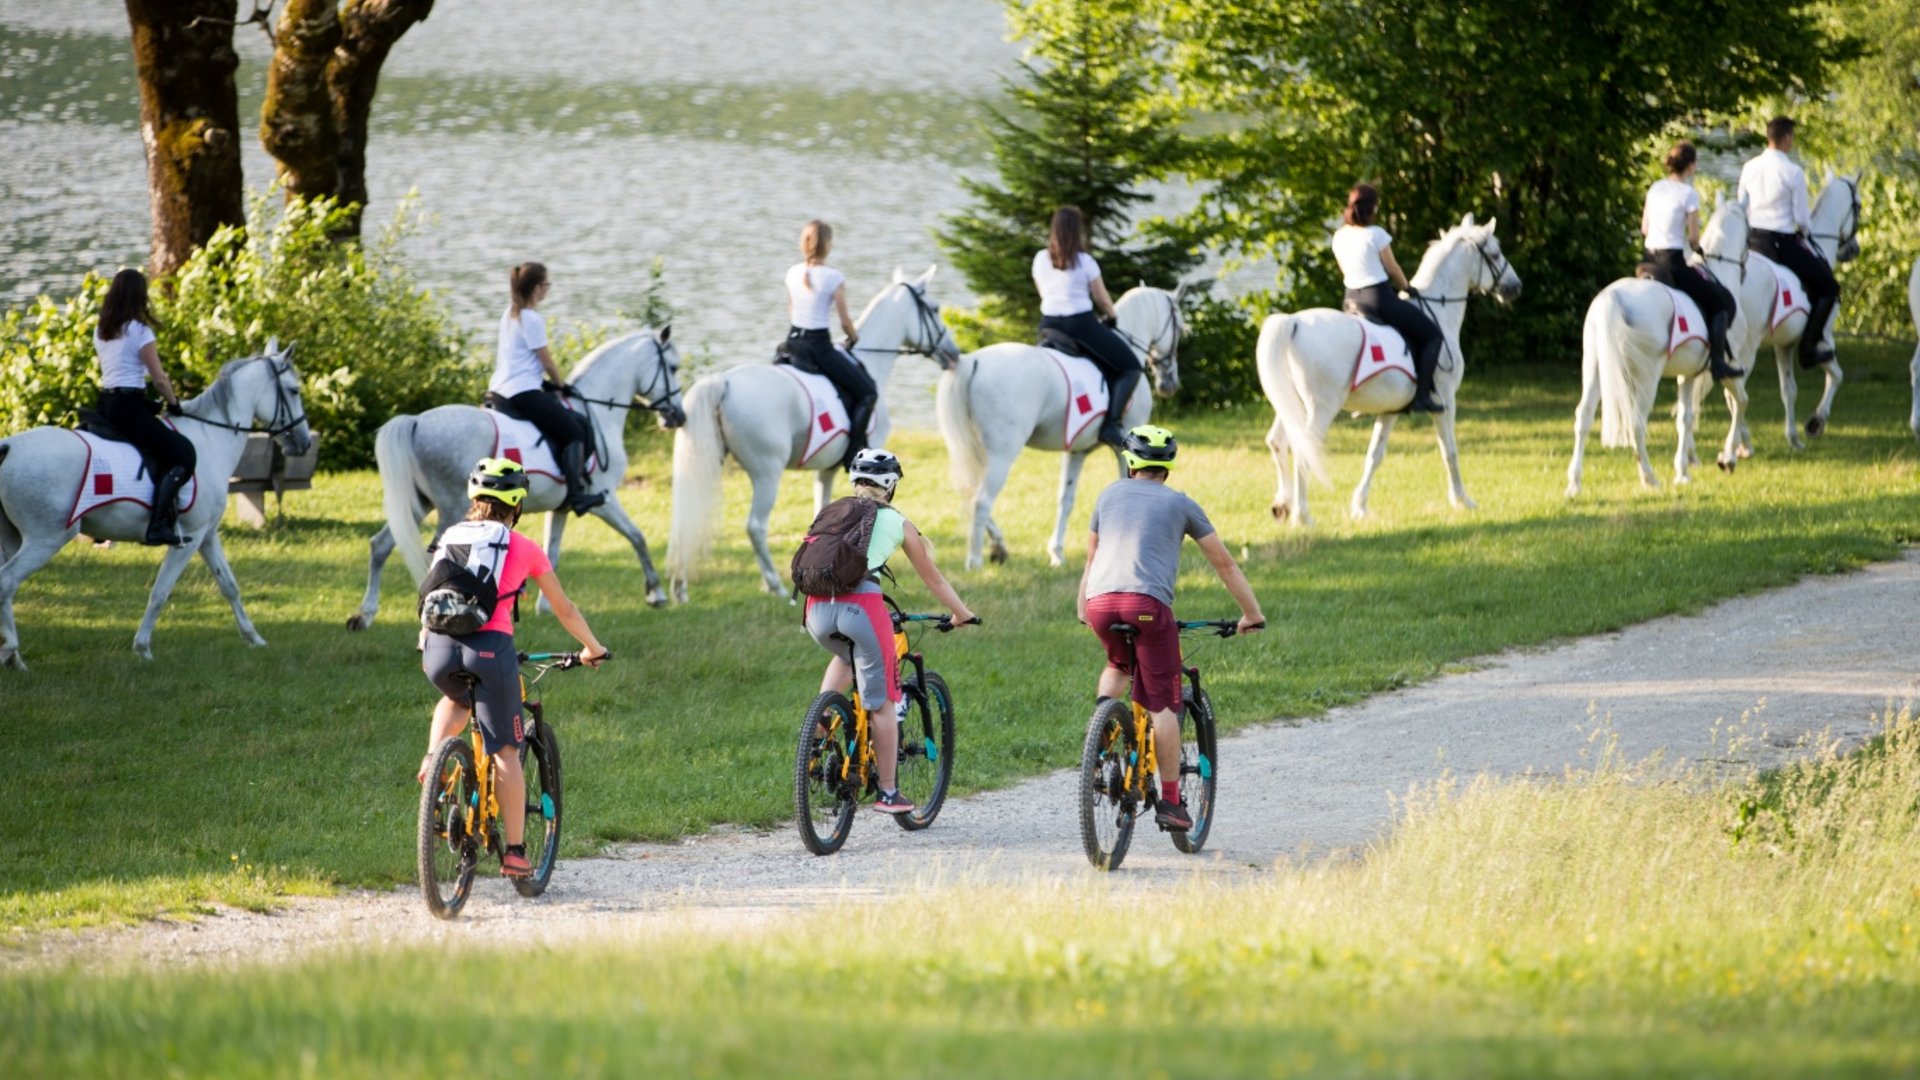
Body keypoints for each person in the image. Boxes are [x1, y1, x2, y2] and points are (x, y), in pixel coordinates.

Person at [419, 458, 608, 878]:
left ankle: (434, 760)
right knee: (506, 749)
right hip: (489, 651)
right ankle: (517, 853)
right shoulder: (521, 547)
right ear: (517, 504)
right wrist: (591, 648)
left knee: (455, 696)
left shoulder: (450, 535)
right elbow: (565, 608)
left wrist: (427, 642)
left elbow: (431, 590)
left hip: (436, 650)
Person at [1077, 425, 1264, 832]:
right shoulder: (1181, 504)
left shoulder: (1107, 495)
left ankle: (1100, 744)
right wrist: (1251, 613)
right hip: (1147, 606)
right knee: (1162, 701)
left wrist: (1083, 609)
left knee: (1119, 664)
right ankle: (1173, 803)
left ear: (1130, 463)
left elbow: (1091, 561)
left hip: (1100, 604)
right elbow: (1225, 564)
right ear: (1168, 466)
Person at [803, 448, 977, 815]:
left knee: (844, 656)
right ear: (891, 484)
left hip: (816, 611)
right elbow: (934, 578)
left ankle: (812, 749)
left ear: (855, 482)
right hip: (862, 610)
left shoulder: (831, 513)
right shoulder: (897, 521)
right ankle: (887, 791)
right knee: (882, 702)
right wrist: (961, 614)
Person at [92, 268, 197, 546]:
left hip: (106, 403)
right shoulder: (140, 331)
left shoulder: (101, 331)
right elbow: (160, 379)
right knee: (182, 456)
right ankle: (158, 526)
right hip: (128, 407)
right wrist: (174, 404)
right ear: (140, 297)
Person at [490, 262, 604, 515]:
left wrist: (547, 385)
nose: (547, 290)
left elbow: (521, 360)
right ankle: (576, 496)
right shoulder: (531, 319)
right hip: (523, 392)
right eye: (546, 285)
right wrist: (562, 386)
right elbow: (546, 360)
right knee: (574, 431)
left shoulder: (509, 313)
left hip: (500, 388)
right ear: (537, 287)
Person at [1332, 184, 1446, 413]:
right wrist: (1407, 287)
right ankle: (1422, 396)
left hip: (1351, 300)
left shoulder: (1340, 235)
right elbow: (1392, 268)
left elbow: (1344, 269)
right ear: (1372, 208)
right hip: (1378, 299)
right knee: (1433, 335)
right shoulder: (1377, 234)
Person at [1033, 206, 1139, 447]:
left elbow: (1044, 292)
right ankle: (1111, 425)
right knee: (1130, 367)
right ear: (1077, 231)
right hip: (1080, 325)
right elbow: (1102, 299)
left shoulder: (1040, 259)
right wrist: (1112, 317)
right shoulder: (1085, 262)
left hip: (1048, 325)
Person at [1738, 116, 1839, 369]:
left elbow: (1742, 205)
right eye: (1792, 137)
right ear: (1785, 138)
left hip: (1751, 241)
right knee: (1829, 287)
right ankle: (1808, 348)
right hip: (1780, 244)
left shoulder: (1749, 167)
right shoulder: (1793, 171)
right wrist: (1805, 233)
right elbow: (1802, 219)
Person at [1642, 141, 1744, 380]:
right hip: (1672, 263)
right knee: (1719, 305)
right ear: (1690, 166)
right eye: (1696, 163)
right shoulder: (1689, 194)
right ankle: (1718, 363)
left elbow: (1645, 228)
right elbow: (1694, 238)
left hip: (1648, 260)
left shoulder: (1655, 187)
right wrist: (1699, 250)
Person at [783, 220, 878, 466]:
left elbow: (792, 310)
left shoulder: (792, 272)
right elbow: (845, 322)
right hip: (818, 348)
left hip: (792, 343)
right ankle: (852, 453)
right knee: (868, 392)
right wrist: (853, 337)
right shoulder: (833, 277)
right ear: (827, 244)